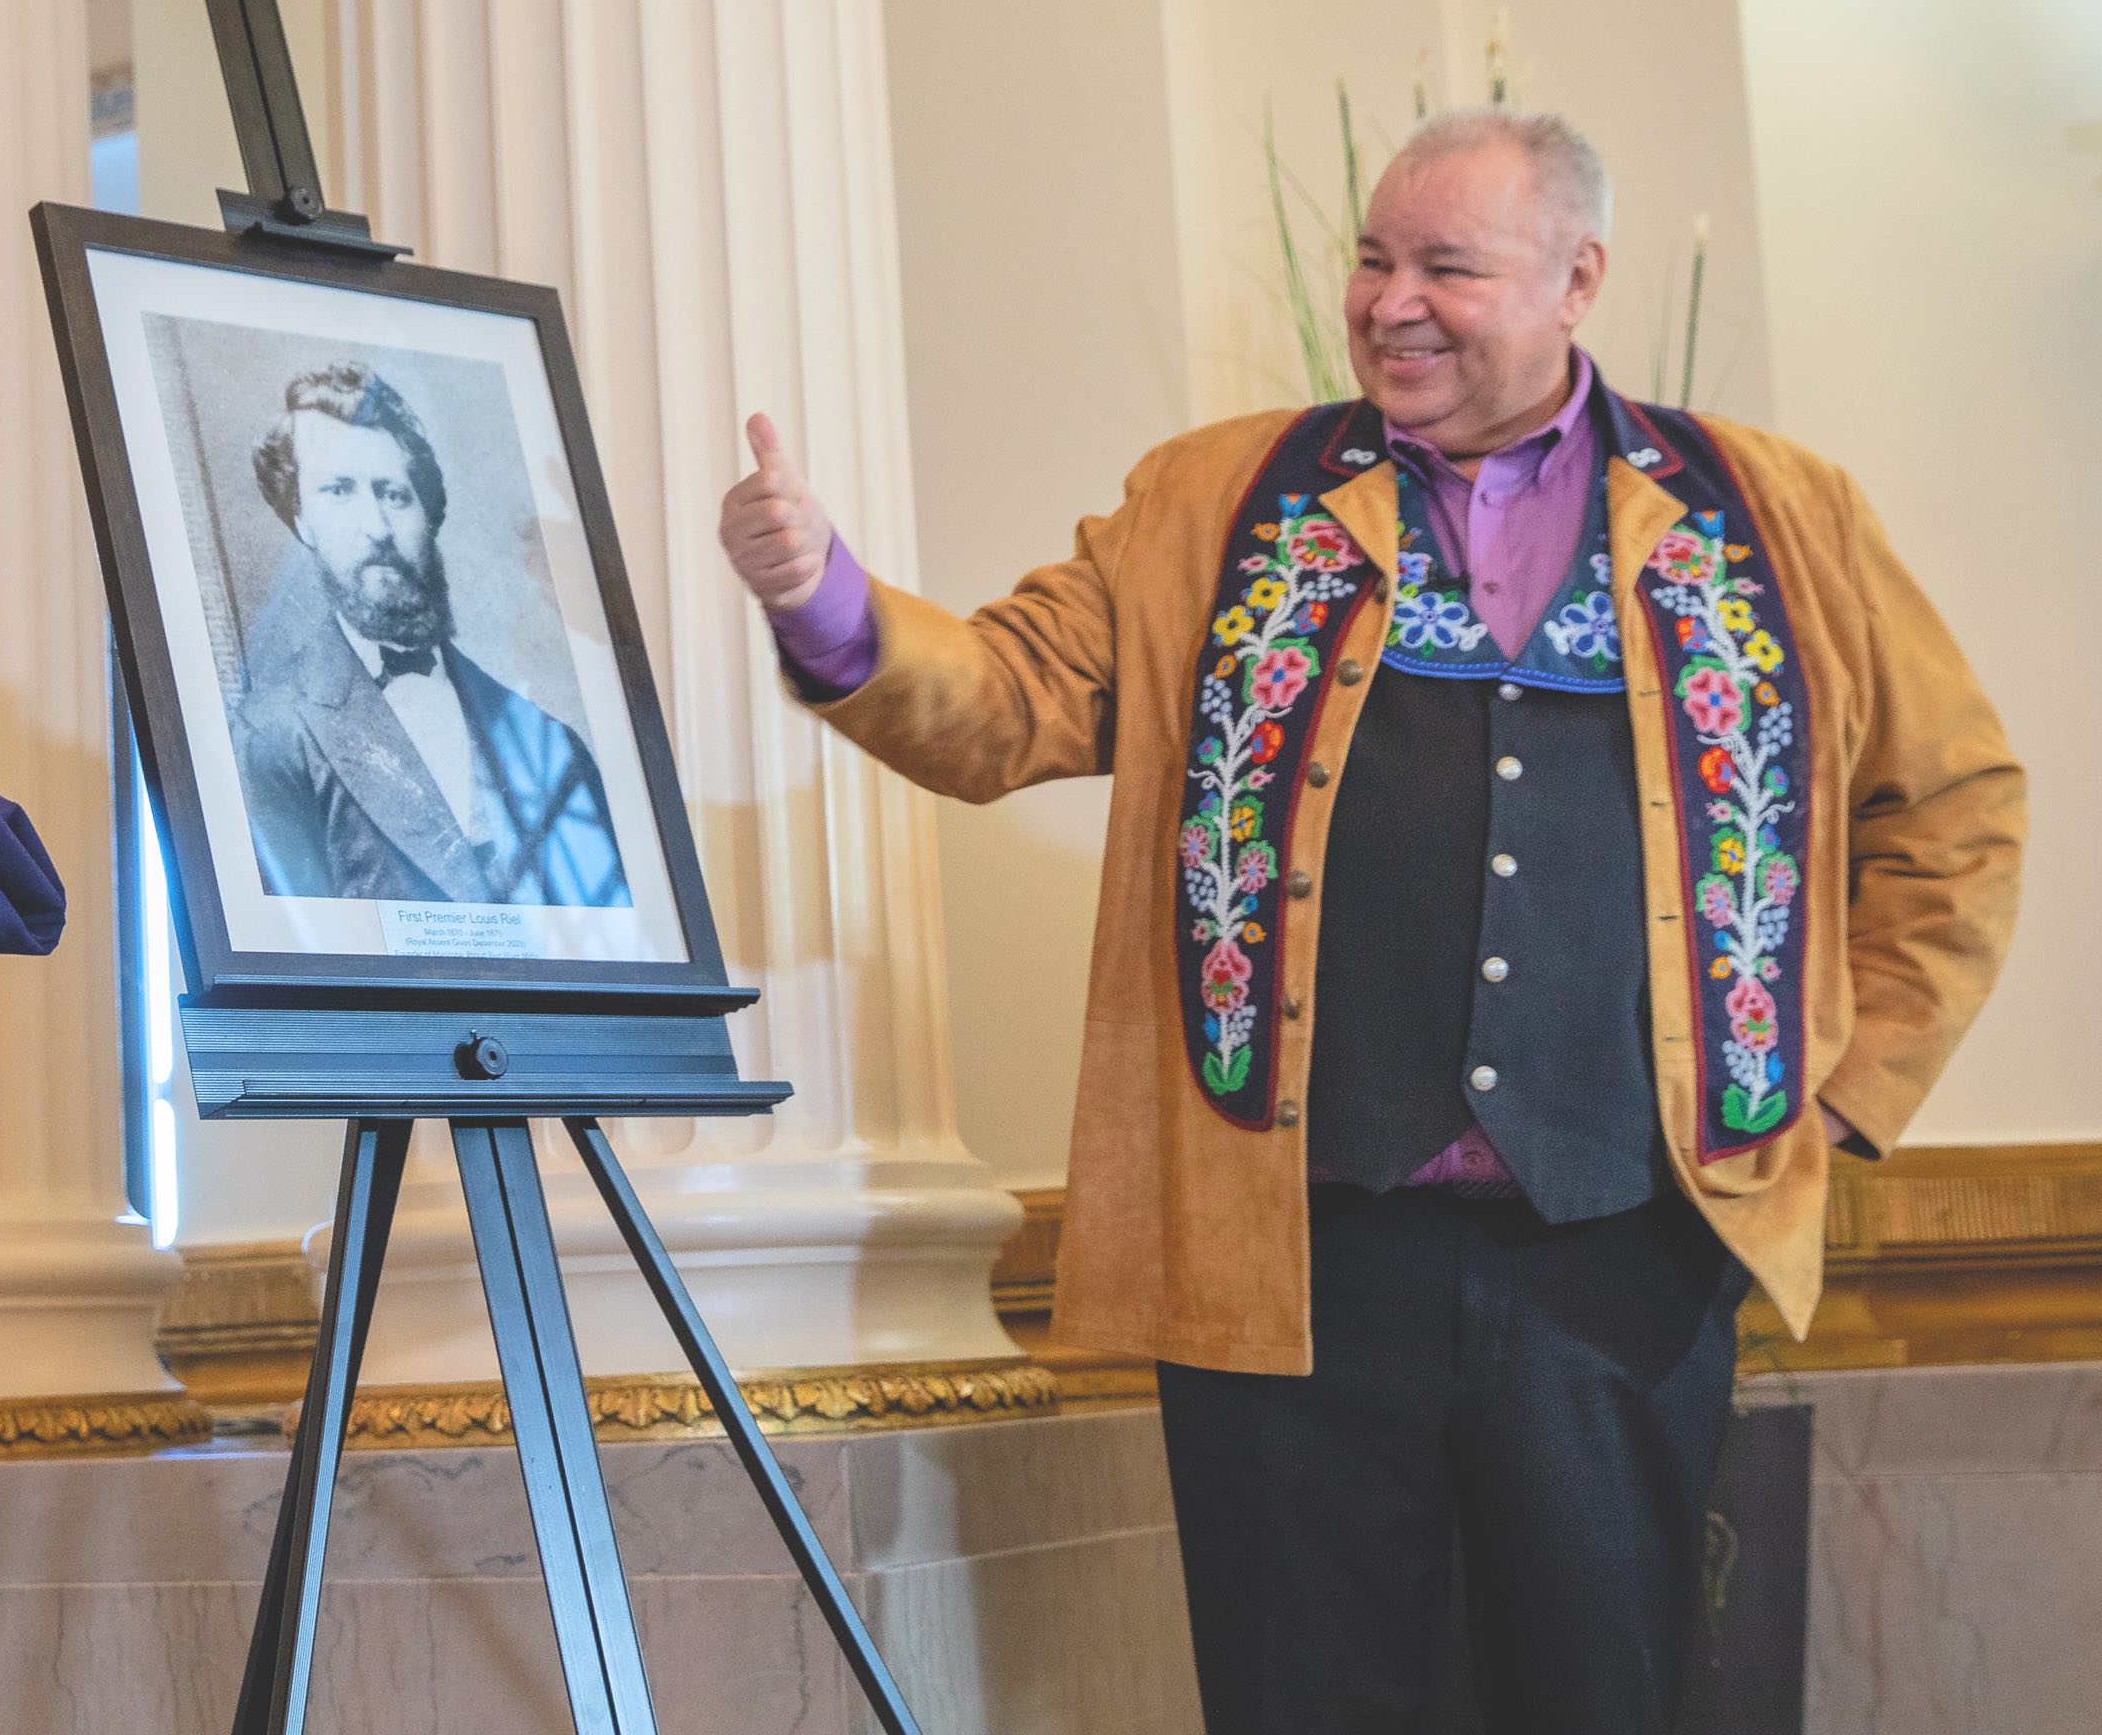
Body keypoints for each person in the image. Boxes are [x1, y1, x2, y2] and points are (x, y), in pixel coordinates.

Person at [718, 109, 2024, 1735]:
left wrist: (1837, 1092)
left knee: (1609, 1699)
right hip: (1291, 1261)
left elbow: (1957, 808)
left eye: (1448, 267)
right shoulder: (1215, 498)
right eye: (1372, 257)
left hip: (1620, 1254)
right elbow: (1005, 699)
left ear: (1577, 279)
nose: (1392, 300)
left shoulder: (1781, 516)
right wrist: (822, 596)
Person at [234, 362, 629, 907]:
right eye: (340, 491)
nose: (376, 527)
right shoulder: (271, 736)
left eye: (395, 494)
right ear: (302, 520)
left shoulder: (553, 743)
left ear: (428, 514)